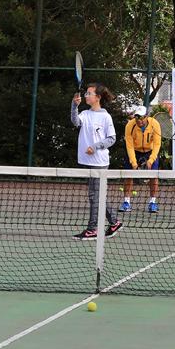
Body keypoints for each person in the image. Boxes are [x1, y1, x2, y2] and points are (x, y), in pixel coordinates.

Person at [70, 82, 123, 240]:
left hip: (99, 162)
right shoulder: (85, 114)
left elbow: (112, 138)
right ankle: (114, 221)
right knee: (98, 195)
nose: (86, 95)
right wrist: (74, 106)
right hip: (88, 160)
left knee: (94, 196)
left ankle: (92, 229)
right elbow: (75, 122)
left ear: (98, 97)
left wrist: (96, 146)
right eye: (86, 93)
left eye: (89, 94)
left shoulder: (105, 116)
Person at [119, 105, 162, 213]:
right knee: (129, 175)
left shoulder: (155, 124)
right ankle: (126, 202)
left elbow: (157, 144)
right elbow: (129, 146)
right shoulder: (130, 125)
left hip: (150, 151)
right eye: (137, 117)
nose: (139, 120)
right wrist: (133, 163)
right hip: (135, 151)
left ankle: (152, 202)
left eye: (141, 117)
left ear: (147, 116)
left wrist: (151, 160)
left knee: (154, 176)